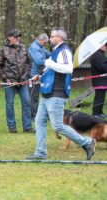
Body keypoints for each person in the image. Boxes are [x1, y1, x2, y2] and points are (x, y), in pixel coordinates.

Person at [27, 27, 96, 160]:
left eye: (52, 36)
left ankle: (87, 143)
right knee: (39, 121)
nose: (50, 38)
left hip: (57, 94)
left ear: (59, 37)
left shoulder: (64, 50)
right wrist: (38, 76)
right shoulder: (55, 52)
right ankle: (40, 152)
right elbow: (51, 69)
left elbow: (68, 68)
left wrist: (50, 63)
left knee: (57, 125)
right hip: (47, 93)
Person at [0, 30, 34, 133]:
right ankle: (12, 127)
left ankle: (27, 127)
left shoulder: (24, 48)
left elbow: (29, 63)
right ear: (9, 37)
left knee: (26, 102)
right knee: (10, 104)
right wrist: (5, 79)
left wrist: (26, 75)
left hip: (23, 82)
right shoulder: (3, 50)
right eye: (15, 37)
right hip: (9, 82)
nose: (18, 39)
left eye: (19, 37)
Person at [28, 33, 51, 121]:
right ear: (41, 40)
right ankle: (33, 116)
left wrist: (55, 55)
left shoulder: (40, 47)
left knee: (40, 95)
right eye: (45, 42)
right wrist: (50, 62)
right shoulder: (35, 47)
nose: (45, 44)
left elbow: (47, 54)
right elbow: (39, 61)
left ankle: (39, 114)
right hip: (33, 75)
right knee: (33, 96)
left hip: (40, 74)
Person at [90, 43, 107, 119]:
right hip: (100, 81)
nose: (106, 47)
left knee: (101, 98)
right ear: (100, 46)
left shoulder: (100, 55)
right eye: (105, 45)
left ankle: (100, 112)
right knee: (99, 98)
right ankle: (95, 113)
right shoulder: (98, 55)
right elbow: (102, 67)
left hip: (102, 81)